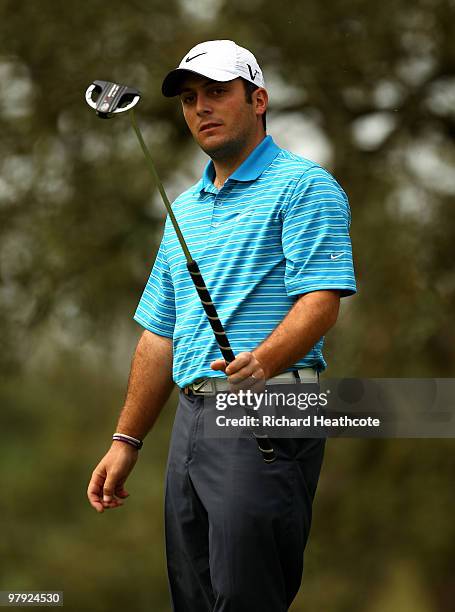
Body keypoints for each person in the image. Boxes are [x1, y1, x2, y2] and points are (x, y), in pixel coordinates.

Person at [87, 39, 356, 612]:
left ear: (257, 99)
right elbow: (160, 334)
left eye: (216, 92)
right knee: (193, 594)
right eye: (189, 98)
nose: (200, 107)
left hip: (268, 405)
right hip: (191, 417)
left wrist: (266, 360)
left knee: (244, 596)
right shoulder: (184, 208)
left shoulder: (305, 187)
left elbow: (321, 301)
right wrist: (125, 439)